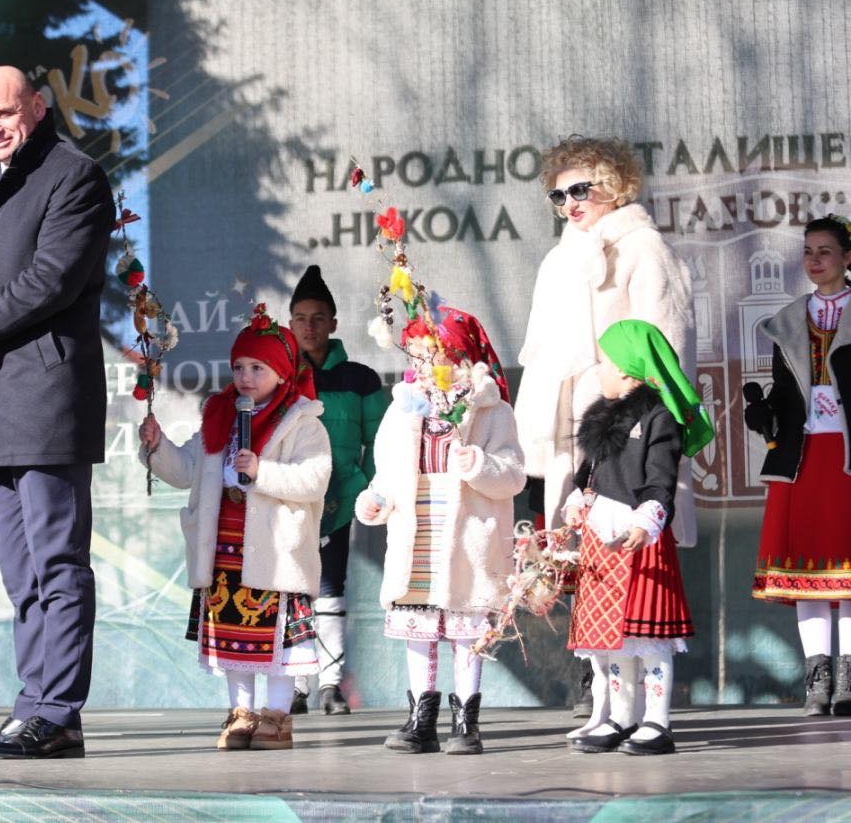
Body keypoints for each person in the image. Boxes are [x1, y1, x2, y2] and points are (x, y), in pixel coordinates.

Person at [0, 65, 114, 760]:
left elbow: (51, 280)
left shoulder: (73, 176)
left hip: (46, 397)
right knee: (20, 573)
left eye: (3, 114)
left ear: (37, 107)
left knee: (57, 563)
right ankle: (31, 707)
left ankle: (59, 712)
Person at [514, 135, 696, 717]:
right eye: (558, 194)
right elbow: (541, 355)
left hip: (624, 432)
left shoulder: (643, 247)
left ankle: (640, 705)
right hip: (568, 429)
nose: (569, 203)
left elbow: (664, 343)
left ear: (615, 187)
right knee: (577, 559)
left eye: (580, 189)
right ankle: (594, 684)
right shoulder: (559, 258)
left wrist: (632, 415)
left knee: (628, 561)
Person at [139, 311, 331, 750]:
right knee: (233, 636)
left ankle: (277, 718)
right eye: (239, 367)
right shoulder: (221, 414)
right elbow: (187, 470)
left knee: (279, 643)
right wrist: (157, 446)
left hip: (275, 551)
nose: (245, 377)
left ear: (281, 372)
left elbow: (314, 479)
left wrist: (262, 472)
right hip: (225, 548)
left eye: (257, 368)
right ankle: (241, 714)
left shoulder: (303, 421)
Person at [356, 308, 524, 756]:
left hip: (466, 535)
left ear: (462, 358)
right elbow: (388, 472)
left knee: (466, 630)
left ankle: (466, 722)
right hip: (419, 532)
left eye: (434, 355)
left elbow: (513, 475)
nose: (425, 366)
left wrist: (480, 465)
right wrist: (376, 500)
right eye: (417, 356)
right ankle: (420, 720)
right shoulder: (402, 409)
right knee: (419, 626)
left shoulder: (492, 411)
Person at [563, 320, 711, 756]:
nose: (599, 370)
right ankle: (622, 716)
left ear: (629, 371)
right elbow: (588, 474)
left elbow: (660, 480)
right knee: (615, 640)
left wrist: (647, 521)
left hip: (637, 538)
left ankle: (657, 720)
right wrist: (578, 498)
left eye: (606, 362)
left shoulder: (659, 418)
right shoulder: (602, 416)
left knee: (648, 637)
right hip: (601, 539)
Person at [745, 216, 851, 716]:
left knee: (848, 577)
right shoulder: (789, 319)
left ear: (847, 258)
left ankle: (848, 682)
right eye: (809, 251)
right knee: (805, 574)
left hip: (846, 455)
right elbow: (785, 393)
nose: (815, 260)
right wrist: (767, 414)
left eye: (826, 251)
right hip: (802, 458)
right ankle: (817, 681)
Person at [285, 265, 388, 716]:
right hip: (287, 500)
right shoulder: (277, 376)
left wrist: (361, 487)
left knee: (329, 588)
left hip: (339, 501)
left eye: (317, 318)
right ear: (290, 324)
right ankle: (294, 686)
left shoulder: (360, 379)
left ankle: (329, 686)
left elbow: (382, 441)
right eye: (300, 318)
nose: (309, 327)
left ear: (333, 324)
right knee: (290, 590)